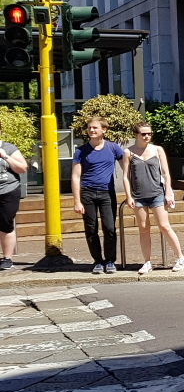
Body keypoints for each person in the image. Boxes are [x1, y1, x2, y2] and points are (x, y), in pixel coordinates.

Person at [122, 122, 184, 274]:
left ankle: (180, 257)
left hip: (157, 193)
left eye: (149, 134)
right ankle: (147, 261)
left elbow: (165, 173)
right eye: (143, 134)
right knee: (144, 229)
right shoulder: (129, 152)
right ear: (136, 135)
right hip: (138, 195)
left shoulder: (157, 150)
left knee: (164, 226)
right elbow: (125, 176)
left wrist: (168, 193)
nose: (146, 136)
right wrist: (128, 195)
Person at [72, 117, 128, 274]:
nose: (91, 130)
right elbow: (76, 176)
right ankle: (98, 261)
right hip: (87, 192)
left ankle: (110, 260)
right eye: (90, 127)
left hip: (106, 193)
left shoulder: (113, 148)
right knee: (91, 229)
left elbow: (126, 169)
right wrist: (77, 201)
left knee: (109, 228)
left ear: (104, 130)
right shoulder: (81, 151)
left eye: (95, 127)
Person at [0, 140, 28, 270]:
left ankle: (7, 258)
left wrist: (5, 156)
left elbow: (22, 168)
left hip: (7, 191)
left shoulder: (8, 148)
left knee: (6, 223)